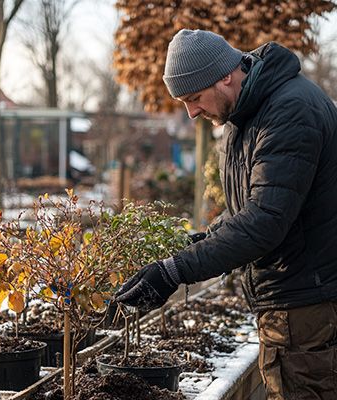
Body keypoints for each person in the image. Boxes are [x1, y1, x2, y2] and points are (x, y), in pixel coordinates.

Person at [115, 29, 337, 400]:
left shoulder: (288, 111)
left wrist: (176, 271)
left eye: (195, 98)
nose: (192, 112)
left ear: (225, 76)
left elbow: (265, 222)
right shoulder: (247, 113)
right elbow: (253, 208)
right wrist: (201, 242)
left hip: (306, 305)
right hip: (296, 299)